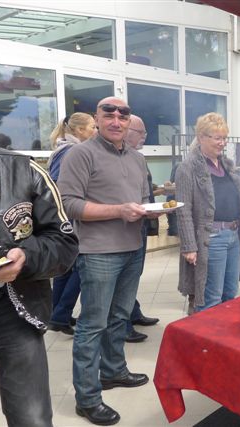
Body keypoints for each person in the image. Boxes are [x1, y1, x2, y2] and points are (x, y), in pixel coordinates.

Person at [0, 93, 79, 426]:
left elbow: (64, 241)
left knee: (31, 418)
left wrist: (27, 257)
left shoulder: (24, 171)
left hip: (11, 309)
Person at [58, 97, 157, 425]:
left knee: (119, 317)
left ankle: (113, 371)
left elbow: (143, 199)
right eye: (109, 114)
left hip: (133, 248)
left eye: (123, 116)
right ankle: (87, 398)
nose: (116, 121)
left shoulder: (137, 158)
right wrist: (118, 210)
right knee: (92, 325)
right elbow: (68, 204)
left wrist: (151, 210)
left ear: (129, 121)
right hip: (98, 252)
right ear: (97, 119)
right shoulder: (80, 154)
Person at [176, 112, 240, 313]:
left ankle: (221, 331)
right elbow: (183, 210)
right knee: (211, 298)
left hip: (233, 235)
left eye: (224, 138)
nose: (222, 143)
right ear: (201, 137)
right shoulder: (187, 168)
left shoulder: (226, 164)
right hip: (212, 238)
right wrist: (189, 246)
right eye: (217, 138)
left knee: (230, 292)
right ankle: (203, 332)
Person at [46, 112, 96, 335]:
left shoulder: (64, 148)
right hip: (69, 218)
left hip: (63, 218)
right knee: (79, 268)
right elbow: (59, 186)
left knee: (65, 269)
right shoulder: (72, 151)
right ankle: (60, 314)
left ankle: (56, 313)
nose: (95, 131)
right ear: (79, 130)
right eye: (93, 127)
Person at [122, 114, 161, 342]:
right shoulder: (116, 159)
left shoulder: (138, 158)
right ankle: (124, 324)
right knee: (124, 279)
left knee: (134, 275)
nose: (145, 136)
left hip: (141, 225)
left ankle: (133, 313)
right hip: (121, 230)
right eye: (140, 132)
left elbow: (143, 190)